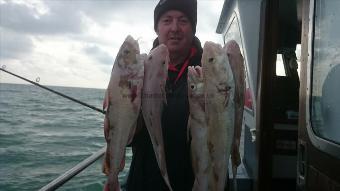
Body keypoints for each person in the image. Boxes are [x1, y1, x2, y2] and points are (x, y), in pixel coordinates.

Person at [116, 0, 203, 190]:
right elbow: (128, 137)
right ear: (157, 28)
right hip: (143, 182)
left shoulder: (208, 73)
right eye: (166, 20)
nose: (174, 28)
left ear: (193, 28)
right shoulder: (139, 70)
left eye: (183, 20)